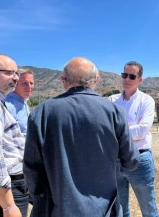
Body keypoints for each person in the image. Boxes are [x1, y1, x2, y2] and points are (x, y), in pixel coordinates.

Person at [23, 57, 140, 217]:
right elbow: (131, 160)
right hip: (105, 210)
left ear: (63, 81)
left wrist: (37, 197)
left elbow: (32, 167)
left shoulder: (41, 113)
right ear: (96, 80)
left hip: (57, 208)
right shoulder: (114, 112)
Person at [109, 61, 159, 217]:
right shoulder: (111, 100)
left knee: (148, 209)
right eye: (124, 75)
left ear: (140, 80)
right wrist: (130, 131)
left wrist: (117, 131)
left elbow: (143, 130)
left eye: (132, 76)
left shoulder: (147, 101)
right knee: (120, 209)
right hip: (116, 161)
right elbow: (106, 128)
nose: (127, 79)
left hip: (140, 159)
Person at [0, 53, 28, 217]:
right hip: (6, 192)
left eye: (16, 73)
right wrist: (9, 206)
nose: (16, 78)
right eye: (9, 72)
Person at [5, 68, 35, 136]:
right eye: (25, 83)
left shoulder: (23, 102)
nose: (29, 87)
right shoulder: (7, 105)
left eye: (31, 83)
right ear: (14, 84)